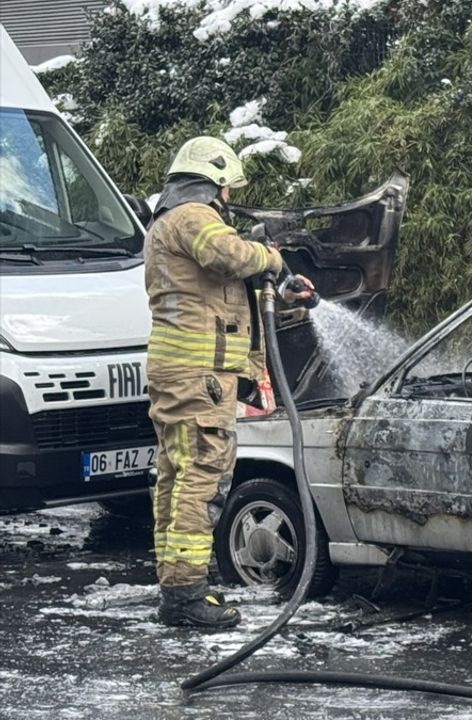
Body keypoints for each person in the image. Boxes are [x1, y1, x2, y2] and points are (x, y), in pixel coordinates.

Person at [145, 136, 312, 628]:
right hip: (198, 379)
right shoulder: (193, 218)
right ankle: (186, 595)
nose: (228, 199)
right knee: (202, 478)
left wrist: (280, 288)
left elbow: (218, 297)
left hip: (181, 376)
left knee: (177, 479)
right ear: (213, 182)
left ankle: (177, 582)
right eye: (227, 189)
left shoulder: (164, 225)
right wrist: (272, 257)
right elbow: (228, 256)